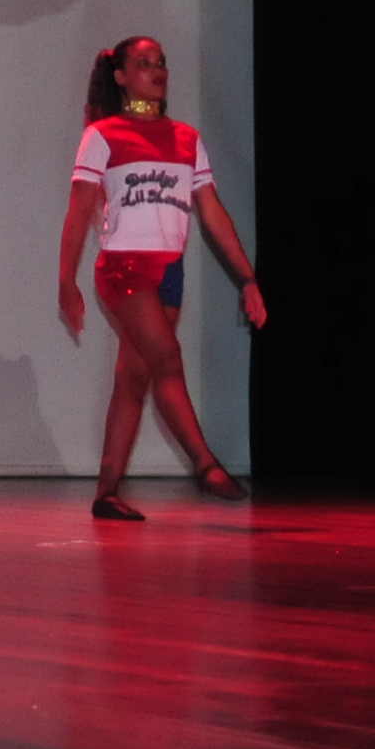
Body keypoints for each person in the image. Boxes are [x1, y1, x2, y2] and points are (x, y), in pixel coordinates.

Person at [59, 37, 268, 520]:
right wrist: (66, 280)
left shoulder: (187, 138)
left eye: (161, 63)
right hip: (124, 267)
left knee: (134, 379)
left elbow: (211, 213)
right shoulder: (103, 135)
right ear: (120, 76)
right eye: (144, 63)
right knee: (168, 360)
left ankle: (107, 493)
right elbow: (79, 211)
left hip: (169, 270)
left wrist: (247, 279)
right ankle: (205, 464)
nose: (157, 71)